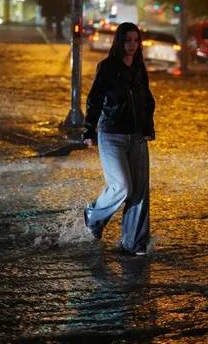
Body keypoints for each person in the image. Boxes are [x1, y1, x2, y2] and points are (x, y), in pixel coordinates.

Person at [82, 22, 155, 256]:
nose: (132, 45)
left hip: (137, 136)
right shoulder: (107, 67)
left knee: (139, 192)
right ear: (119, 41)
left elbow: (146, 100)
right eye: (128, 40)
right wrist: (89, 129)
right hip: (111, 134)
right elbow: (94, 99)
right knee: (122, 186)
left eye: (136, 40)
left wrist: (147, 127)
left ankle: (133, 243)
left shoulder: (139, 67)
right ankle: (94, 216)